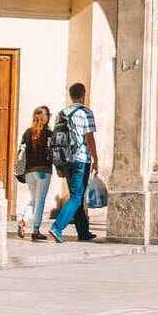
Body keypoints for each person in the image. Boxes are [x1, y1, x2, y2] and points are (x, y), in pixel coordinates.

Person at [49, 83, 98, 243]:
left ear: (70, 95)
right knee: (77, 197)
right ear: (83, 94)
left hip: (65, 159)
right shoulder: (86, 112)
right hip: (80, 159)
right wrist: (96, 158)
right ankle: (57, 227)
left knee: (76, 195)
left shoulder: (62, 114)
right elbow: (89, 138)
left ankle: (83, 232)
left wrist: (58, 165)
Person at [17, 106, 53, 241]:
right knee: (40, 201)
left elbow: (21, 152)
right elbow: (52, 153)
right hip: (43, 171)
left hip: (29, 172)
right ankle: (36, 230)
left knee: (34, 200)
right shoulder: (49, 133)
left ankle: (23, 221)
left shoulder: (27, 133)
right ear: (46, 117)